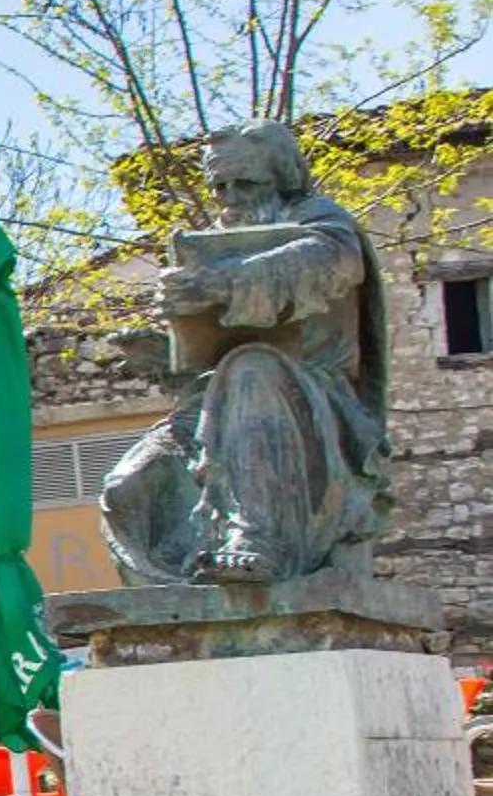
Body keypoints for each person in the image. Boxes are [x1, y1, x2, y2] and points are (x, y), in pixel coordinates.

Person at [100, 122, 389, 585]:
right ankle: (166, 603)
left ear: (284, 177)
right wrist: (163, 351)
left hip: (315, 403)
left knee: (251, 367)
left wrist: (221, 283)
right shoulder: (211, 240)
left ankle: (258, 540)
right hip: (215, 403)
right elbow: (203, 351)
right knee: (130, 486)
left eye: (246, 184)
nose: (231, 198)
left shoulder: (323, 223)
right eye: (220, 187)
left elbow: (324, 262)